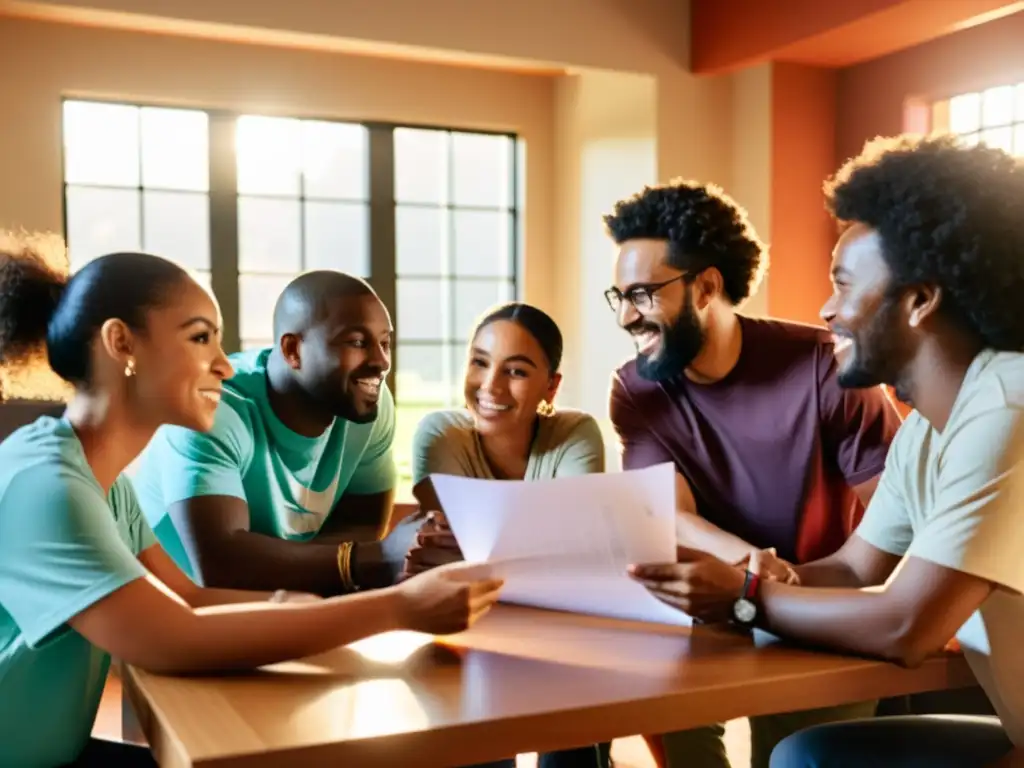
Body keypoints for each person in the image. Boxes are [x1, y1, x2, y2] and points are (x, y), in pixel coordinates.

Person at [0, 237, 503, 768]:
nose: (224, 365)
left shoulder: (101, 480)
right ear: (122, 344)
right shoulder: (48, 486)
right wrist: (399, 607)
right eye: (200, 339)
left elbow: (186, 597)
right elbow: (172, 638)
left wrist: (290, 607)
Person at [626, 134, 1024, 767]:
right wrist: (744, 583)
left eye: (844, 283)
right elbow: (852, 570)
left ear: (920, 299)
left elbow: (905, 626)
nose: (828, 308)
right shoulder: (928, 429)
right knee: (805, 755)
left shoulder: (1007, 406)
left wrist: (743, 596)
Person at [602, 180, 903, 768]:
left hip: (819, 605)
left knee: (793, 756)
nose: (626, 316)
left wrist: (778, 584)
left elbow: (898, 521)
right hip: (703, 608)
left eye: (641, 294)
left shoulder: (829, 366)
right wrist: (749, 560)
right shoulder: (634, 389)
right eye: (618, 296)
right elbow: (669, 513)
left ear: (707, 286)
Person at [404, 301, 612, 768]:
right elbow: (452, 563)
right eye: (480, 362)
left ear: (550, 386)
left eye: (516, 371)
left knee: (574, 723)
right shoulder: (439, 435)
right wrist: (542, 545)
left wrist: (521, 552)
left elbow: (575, 553)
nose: (491, 386)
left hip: (565, 635)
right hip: (470, 636)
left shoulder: (576, 433)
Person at [131, 270, 419, 595]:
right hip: (172, 614)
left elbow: (361, 531)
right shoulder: (213, 407)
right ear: (293, 349)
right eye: (356, 342)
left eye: (384, 343)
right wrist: (368, 560)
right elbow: (221, 566)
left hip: (283, 610)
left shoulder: (368, 405)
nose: (381, 362)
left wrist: (336, 564)